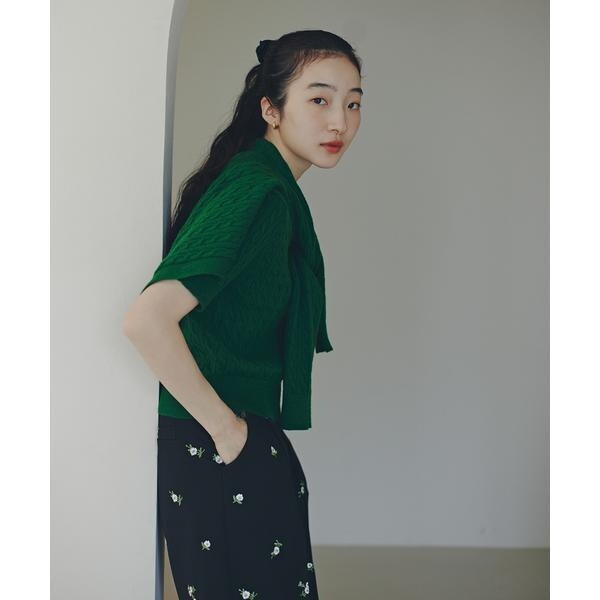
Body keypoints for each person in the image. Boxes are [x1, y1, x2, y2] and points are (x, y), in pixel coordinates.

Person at [122, 29, 364, 600]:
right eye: (320, 99)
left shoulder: (268, 185)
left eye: (354, 104)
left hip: (234, 437)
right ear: (270, 109)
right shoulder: (258, 191)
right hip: (217, 442)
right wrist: (229, 433)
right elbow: (147, 319)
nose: (340, 122)